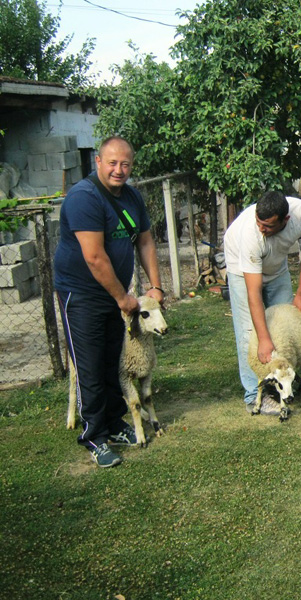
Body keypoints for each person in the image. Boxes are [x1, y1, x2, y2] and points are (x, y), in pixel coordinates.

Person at [54, 136, 164, 468]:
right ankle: (94, 436)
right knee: (88, 365)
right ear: (98, 162)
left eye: (125, 164)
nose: (119, 170)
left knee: (111, 361)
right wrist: (123, 297)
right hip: (83, 294)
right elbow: (94, 257)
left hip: (117, 294)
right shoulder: (83, 198)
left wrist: (156, 286)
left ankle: (115, 423)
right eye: (112, 163)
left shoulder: (131, 196)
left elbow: (144, 240)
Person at [223, 190, 301, 414]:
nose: (262, 229)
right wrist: (264, 339)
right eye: (259, 223)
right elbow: (254, 292)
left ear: (285, 220)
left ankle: (285, 380)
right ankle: (254, 394)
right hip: (242, 270)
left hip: (277, 268)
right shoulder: (250, 233)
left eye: (267, 226)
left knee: (285, 328)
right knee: (251, 334)